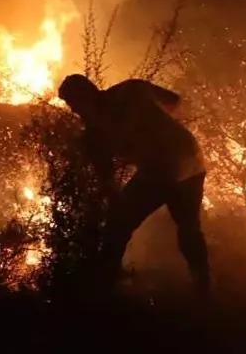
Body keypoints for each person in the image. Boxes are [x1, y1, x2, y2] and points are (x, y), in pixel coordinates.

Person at [57, 74, 210, 295]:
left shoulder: (116, 108)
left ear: (85, 96)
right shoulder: (128, 93)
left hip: (172, 165)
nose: (73, 110)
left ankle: (106, 286)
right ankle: (202, 289)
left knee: (122, 224)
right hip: (186, 159)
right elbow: (173, 101)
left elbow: (174, 102)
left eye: (73, 103)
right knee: (187, 227)